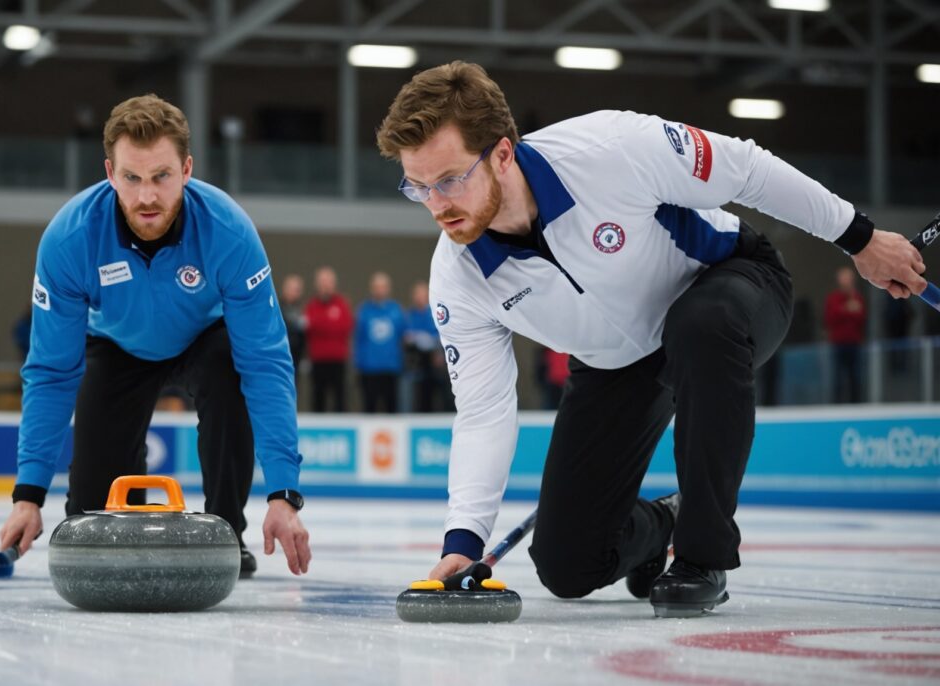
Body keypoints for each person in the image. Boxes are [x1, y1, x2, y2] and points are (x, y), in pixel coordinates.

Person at [375, 61, 927, 617]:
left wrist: (859, 237)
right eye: (416, 186)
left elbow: (747, 168)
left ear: (501, 153)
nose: (436, 204)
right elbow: (483, 410)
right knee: (567, 565)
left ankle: (701, 555)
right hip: (616, 363)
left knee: (699, 326)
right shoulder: (458, 274)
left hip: (730, 285)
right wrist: (462, 542)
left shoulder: (608, 148)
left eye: (448, 180)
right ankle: (667, 519)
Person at [0, 94, 311, 578]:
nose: (147, 197)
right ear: (109, 173)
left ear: (186, 169)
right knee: (89, 521)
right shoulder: (68, 240)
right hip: (117, 349)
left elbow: (266, 364)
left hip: (206, 339)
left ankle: (227, 530)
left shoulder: (229, 232)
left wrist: (284, 493)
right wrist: (28, 494)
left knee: (232, 367)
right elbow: (51, 372)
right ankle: (123, 510)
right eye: (132, 178)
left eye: (161, 176)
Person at [354, 272, 406, 413]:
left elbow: (404, 336)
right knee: (369, 407)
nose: (380, 290)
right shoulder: (364, 310)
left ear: (388, 288)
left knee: (392, 407)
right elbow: (359, 339)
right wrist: (359, 364)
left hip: (391, 368)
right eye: (377, 287)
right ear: (372, 288)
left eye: (383, 287)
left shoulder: (396, 310)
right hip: (369, 369)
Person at [304, 266, 354, 412]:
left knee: (340, 398)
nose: (325, 285)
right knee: (318, 397)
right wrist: (327, 322)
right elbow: (309, 327)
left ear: (334, 283)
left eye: (328, 281)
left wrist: (321, 323)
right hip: (318, 360)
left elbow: (344, 327)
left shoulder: (342, 304)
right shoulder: (311, 306)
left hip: (338, 360)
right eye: (322, 281)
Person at [823, 267, 866, 403]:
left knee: (855, 376)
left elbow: (861, 317)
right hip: (838, 343)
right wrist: (848, 309)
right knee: (837, 377)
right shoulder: (833, 298)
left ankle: (856, 404)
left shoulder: (857, 297)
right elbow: (830, 318)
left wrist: (845, 311)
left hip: (854, 342)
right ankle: (837, 405)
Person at [404, 280, 448, 412]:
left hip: (436, 363)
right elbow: (406, 337)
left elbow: (442, 334)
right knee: (420, 400)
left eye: (423, 294)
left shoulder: (436, 313)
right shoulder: (410, 315)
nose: (420, 298)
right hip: (417, 364)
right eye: (417, 294)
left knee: (441, 398)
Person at [280, 274, 307, 377]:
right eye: (291, 288)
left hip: (297, 356)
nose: (294, 292)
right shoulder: (276, 308)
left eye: (297, 289)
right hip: (281, 355)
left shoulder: (303, 310)